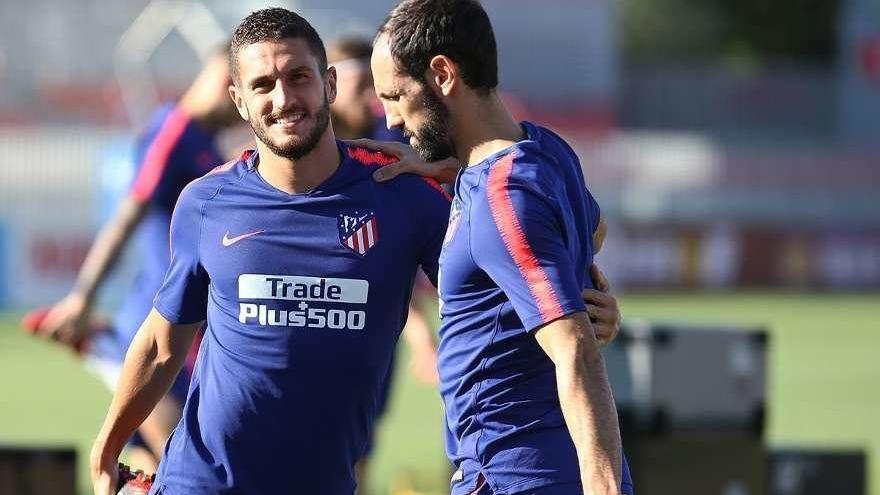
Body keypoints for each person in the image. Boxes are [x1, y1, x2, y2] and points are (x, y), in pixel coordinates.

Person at [89, 8, 622, 495]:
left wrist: (585, 294)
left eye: (298, 77)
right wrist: (108, 446)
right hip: (201, 484)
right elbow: (163, 342)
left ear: (328, 83)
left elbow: (514, 267)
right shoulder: (207, 202)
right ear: (239, 101)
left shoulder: (405, 193)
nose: (283, 99)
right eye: (262, 85)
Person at [364, 1, 634, 494]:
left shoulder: (501, 198)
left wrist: (604, 487)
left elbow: (576, 352)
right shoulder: (544, 150)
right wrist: (584, 291)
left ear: (442, 74)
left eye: (395, 97)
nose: (391, 120)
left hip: (516, 474)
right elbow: (593, 232)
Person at [29, 51, 240, 472]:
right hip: (161, 320)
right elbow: (127, 216)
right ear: (223, 80)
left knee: (155, 466)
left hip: (193, 323)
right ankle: (107, 339)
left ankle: (103, 341)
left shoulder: (205, 140)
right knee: (186, 465)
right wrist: (82, 297)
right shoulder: (174, 131)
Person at [328, 35, 441, 494]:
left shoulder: (390, 154)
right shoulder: (295, 167)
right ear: (329, 87)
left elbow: (385, 264)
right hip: (319, 330)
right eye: (363, 88)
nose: (377, 104)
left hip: (376, 328)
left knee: (361, 447)